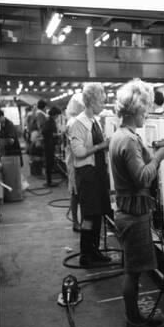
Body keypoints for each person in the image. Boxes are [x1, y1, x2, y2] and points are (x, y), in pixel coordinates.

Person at [109, 79, 164, 327]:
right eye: (145, 109)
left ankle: (136, 317)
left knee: (133, 270)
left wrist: (152, 150)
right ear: (135, 109)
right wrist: (158, 157)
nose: (147, 113)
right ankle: (133, 324)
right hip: (133, 215)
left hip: (129, 211)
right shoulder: (129, 141)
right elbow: (144, 177)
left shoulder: (122, 135)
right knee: (132, 272)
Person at [69, 83, 111, 266]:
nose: (104, 103)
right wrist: (102, 146)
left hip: (98, 174)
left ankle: (94, 250)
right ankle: (86, 254)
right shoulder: (78, 123)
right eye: (102, 100)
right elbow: (78, 152)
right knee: (88, 216)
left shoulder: (94, 121)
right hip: (87, 175)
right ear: (92, 100)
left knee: (97, 214)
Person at [65, 93, 85, 232]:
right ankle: (76, 222)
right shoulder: (74, 122)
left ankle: (80, 221)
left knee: (78, 192)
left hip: (76, 160)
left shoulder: (76, 120)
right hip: (75, 162)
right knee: (76, 193)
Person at [0, 109, 24, 202]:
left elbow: (11, 140)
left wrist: (1, 142)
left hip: (13, 154)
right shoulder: (2, 124)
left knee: (14, 175)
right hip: (7, 154)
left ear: (1, 117)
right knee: (11, 176)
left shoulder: (9, 125)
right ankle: (14, 192)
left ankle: (16, 193)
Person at [41, 106, 62, 187]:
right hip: (49, 145)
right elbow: (46, 132)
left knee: (50, 162)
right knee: (49, 163)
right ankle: (49, 182)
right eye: (57, 115)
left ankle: (49, 181)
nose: (57, 117)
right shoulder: (50, 122)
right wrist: (58, 134)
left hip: (49, 144)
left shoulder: (50, 121)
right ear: (55, 114)